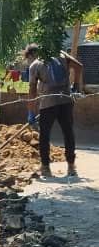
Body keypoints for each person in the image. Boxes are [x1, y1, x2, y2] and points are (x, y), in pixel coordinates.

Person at [25, 43, 82, 178]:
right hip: (66, 100)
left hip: (48, 103)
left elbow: (32, 91)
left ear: (32, 54)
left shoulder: (35, 65)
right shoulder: (62, 55)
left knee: (44, 135)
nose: (29, 62)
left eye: (28, 59)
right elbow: (79, 66)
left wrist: (31, 112)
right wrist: (76, 86)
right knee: (68, 133)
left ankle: (45, 168)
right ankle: (71, 167)